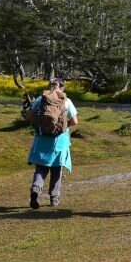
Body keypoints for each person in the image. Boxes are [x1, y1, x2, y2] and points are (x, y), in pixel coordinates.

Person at [24, 78, 78, 208]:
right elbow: (75, 121)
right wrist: (64, 127)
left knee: (41, 168)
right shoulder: (66, 100)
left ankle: (36, 190)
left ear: (50, 86)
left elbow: (29, 117)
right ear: (62, 88)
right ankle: (54, 197)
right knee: (56, 168)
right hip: (60, 140)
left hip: (42, 138)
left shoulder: (41, 99)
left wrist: (38, 127)